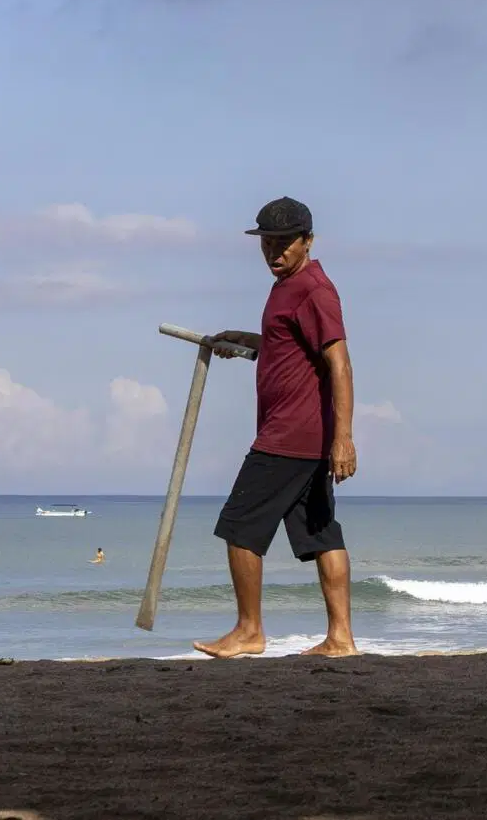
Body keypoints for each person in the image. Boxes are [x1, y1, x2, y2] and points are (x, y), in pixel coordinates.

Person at [193, 196, 360, 659]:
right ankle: (341, 639)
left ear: (308, 241)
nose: (275, 252)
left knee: (240, 525)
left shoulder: (314, 289)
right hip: (306, 439)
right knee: (322, 534)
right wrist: (248, 342)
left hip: (289, 435)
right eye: (268, 243)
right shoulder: (288, 287)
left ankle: (249, 631)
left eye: (285, 243)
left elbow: (339, 363)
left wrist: (344, 438)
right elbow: (288, 345)